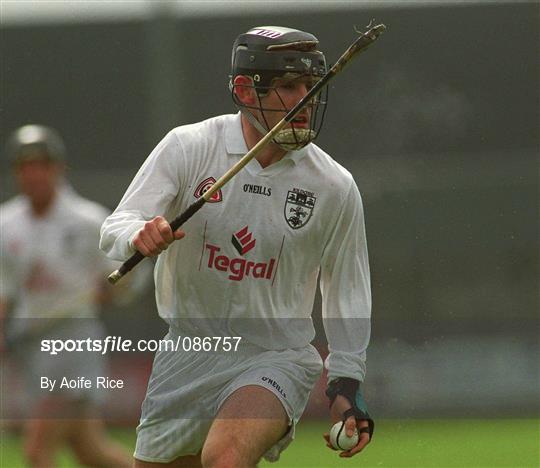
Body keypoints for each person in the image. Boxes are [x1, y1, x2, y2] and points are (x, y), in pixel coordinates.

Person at [100, 25, 374, 467]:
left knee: (225, 458)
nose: (306, 99)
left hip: (275, 356)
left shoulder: (334, 187)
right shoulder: (188, 147)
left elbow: (347, 290)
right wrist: (139, 234)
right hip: (186, 353)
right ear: (246, 90)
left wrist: (346, 383)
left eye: (311, 85)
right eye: (289, 86)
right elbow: (115, 227)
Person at [0, 124, 131, 467]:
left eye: (42, 165)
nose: (34, 174)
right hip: (32, 344)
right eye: (25, 166)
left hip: (73, 343)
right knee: (91, 451)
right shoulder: (6, 224)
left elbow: (123, 279)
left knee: (37, 448)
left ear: (58, 168)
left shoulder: (88, 220)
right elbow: (5, 290)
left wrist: (113, 289)